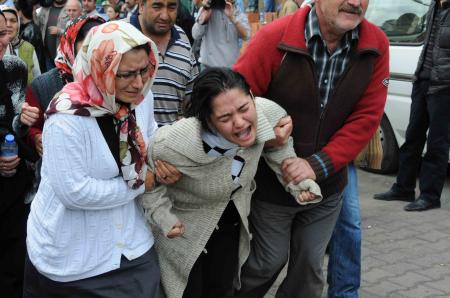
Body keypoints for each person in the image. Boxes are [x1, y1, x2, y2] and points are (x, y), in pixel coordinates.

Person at [233, 0, 390, 297]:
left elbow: (366, 117)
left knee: (309, 268)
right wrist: (265, 138)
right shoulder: (274, 38)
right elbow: (234, 103)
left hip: (328, 186)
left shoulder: (376, 44)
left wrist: (318, 165)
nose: (355, 2)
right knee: (266, 262)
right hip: (271, 186)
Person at [140, 67, 322, 298]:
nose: (240, 123)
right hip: (184, 229)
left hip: (231, 218)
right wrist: (164, 217)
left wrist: (298, 182)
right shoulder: (173, 144)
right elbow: (145, 182)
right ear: (206, 120)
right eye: (225, 118)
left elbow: (280, 146)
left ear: (252, 96)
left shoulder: (267, 113)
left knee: (223, 287)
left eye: (244, 108)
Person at [23, 21, 161, 297]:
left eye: (144, 70)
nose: (139, 83)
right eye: (126, 74)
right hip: (73, 259)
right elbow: (75, 192)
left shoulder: (141, 99)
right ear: (101, 68)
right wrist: (139, 184)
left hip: (131, 244)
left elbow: (152, 137)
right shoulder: (66, 118)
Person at [374, 0, 450, 212]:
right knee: (412, 136)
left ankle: (430, 196)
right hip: (423, 79)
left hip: (444, 86)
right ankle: (403, 187)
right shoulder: (436, 6)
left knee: (437, 144)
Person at [26, 15, 105, 159]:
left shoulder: (115, 81)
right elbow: (30, 125)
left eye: (102, 44)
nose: (96, 51)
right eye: (89, 44)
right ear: (72, 44)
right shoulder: (43, 86)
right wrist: (36, 136)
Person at [0, 10, 40, 297]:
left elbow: (16, 121)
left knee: (13, 261)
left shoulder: (14, 66)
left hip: (13, 179)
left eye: (4, 34)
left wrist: (26, 123)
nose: (1, 42)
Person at [130, 0, 199, 126]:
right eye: (157, 6)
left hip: (170, 142)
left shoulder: (182, 38)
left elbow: (192, 95)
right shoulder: (119, 34)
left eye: (172, 7)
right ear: (141, 6)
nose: (165, 16)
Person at [192, 0, 250, 68]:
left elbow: (246, 35)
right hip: (208, 67)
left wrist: (233, 18)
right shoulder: (208, 7)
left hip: (230, 68)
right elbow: (195, 35)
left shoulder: (236, 9)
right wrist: (203, 18)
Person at [1, 5, 41, 84]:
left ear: (18, 24)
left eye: (13, 21)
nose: (9, 25)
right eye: (4, 20)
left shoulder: (28, 48)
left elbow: (38, 79)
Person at [36, 0, 70, 70]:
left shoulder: (71, 8)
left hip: (63, 56)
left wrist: (60, 31)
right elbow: (36, 24)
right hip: (47, 55)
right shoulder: (44, 9)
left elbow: (76, 31)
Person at [15, 0, 45, 72]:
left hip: (34, 71)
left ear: (20, 12)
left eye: (16, 11)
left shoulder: (31, 31)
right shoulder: (24, 28)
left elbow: (27, 57)